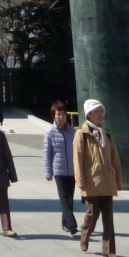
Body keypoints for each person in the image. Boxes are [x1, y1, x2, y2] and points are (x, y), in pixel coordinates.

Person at [73, 98, 123, 257]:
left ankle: (109, 250)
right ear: (89, 114)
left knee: (108, 218)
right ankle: (85, 233)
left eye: (101, 111)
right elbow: (77, 159)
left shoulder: (106, 133)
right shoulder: (81, 134)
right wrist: (80, 181)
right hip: (91, 181)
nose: (100, 114)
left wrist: (118, 179)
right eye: (96, 111)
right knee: (92, 214)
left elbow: (115, 158)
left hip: (107, 180)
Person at [43, 100, 78, 236]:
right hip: (58, 170)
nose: (61, 117)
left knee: (70, 198)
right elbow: (47, 153)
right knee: (63, 197)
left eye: (63, 114)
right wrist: (48, 171)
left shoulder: (73, 132)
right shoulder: (50, 132)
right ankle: (72, 224)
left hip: (72, 170)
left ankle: (65, 223)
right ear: (54, 116)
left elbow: (77, 151)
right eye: (58, 114)